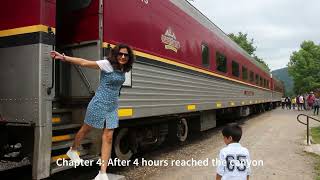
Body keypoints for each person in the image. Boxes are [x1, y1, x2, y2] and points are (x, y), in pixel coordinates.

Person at [50, 43, 134, 180]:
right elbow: (84, 62)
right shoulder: (107, 64)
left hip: (112, 106)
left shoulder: (123, 68)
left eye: (126, 55)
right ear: (116, 54)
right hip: (99, 103)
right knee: (86, 129)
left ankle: (102, 173)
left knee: (108, 137)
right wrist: (64, 58)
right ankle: (73, 150)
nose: (123, 56)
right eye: (121, 54)